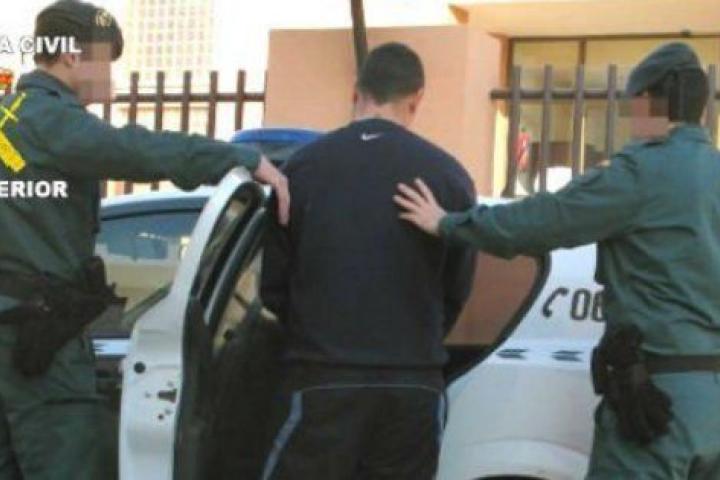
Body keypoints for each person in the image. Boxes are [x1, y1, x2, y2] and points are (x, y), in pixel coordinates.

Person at [394, 42, 720, 479]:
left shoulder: (642, 172)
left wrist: (447, 224)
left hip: (659, 403)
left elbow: (542, 221)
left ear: (649, 101)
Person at [0, 1, 289, 479]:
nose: (110, 77)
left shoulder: (10, 118)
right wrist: (241, 159)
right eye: (105, 61)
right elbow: (136, 150)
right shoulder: (48, 120)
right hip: (41, 345)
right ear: (72, 56)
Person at [259, 42, 476, 479]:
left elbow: (273, 285)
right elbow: (457, 287)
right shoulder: (449, 177)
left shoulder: (302, 169)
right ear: (417, 98)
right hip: (413, 383)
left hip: (322, 377)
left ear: (356, 91)